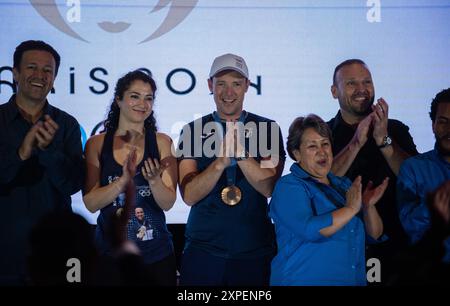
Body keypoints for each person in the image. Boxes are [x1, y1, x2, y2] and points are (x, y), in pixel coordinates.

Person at [177, 53, 286, 286]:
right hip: (203, 248)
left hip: (254, 248)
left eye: (236, 84)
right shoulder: (192, 131)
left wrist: (241, 155)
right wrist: (219, 163)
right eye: (221, 84)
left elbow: (268, 187)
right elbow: (189, 195)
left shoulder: (267, 129)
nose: (229, 93)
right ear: (210, 85)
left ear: (247, 85)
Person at [327, 59, 418, 283]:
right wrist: (355, 144)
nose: (361, 89)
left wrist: (383, 140)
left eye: (367, 81)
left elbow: (416, 179)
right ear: (334, 91)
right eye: (351, 83)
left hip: (395, 248)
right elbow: (319, 183)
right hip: (340, 248)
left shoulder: (395, 130)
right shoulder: (323, 135)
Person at [83, 70, 178, 286]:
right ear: (118, 99)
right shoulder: (96, 144)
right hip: (109, 257)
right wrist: (121, 182)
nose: (142, 104)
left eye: (149, 98)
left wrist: (154, 181)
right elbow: (90, 203)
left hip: (156, 256)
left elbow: (168, 202)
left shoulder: (162, 142)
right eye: (135, 96)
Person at [0, 40, 83, 285]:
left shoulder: (66, 124)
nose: (40, 75)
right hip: (5, 249)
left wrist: (47, 151)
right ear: (15, 73)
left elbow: (72, 184)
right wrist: (21, 154)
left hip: (58, 250)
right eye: (31, 67)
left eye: (48, 70)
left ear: (55, 79)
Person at [269, 114, 388, 285]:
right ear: (297, 154)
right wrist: (350, 209)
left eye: (325, 144)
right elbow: (310, 229)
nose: (321, 151)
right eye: (312, 146)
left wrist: (368, 207)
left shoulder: (344, 185)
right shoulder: (289, 187)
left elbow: (374, 234)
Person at [397, 88, 450, 246]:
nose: (449, 129)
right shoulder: (413, 168)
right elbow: (408, 225)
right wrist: (433, 206)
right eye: (442, 121)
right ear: (433, 125)